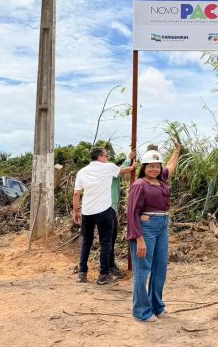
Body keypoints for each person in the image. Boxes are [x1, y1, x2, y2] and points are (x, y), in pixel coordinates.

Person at [127, 138, 181, 322]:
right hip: (146, 228)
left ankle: (157, 306)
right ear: (144, 167)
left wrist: (177, 150)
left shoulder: (161, 180)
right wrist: (139, 238)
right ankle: (141, 311)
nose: (154, 169)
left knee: (160, 268)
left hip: (163, 226)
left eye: (157, 166)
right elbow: (132, 213)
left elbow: (171, 167)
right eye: (150, 166)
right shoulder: (139, 185)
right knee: (143, 269)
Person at [73, 147, 135, 284]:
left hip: (87, 212)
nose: (107, 158)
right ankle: (103, 275)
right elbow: (124, 170)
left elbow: (76, 193)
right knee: (106, 243)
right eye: (106, 156)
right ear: (100, 157)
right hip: (103, 210)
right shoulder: (108, 167)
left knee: (86, 242)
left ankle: (82, 273)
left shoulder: (82, 171)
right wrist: (132, 166)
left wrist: (76, 211)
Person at [108, 150, 136, 279]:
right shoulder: (112, 174)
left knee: (110, 239)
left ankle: (110, 265)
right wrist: (129, 159)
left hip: (109, 209)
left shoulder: (113, 177)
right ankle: (109, 267)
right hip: (108, 210)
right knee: (109, 240)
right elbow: (121, 170)